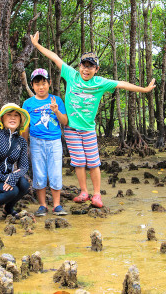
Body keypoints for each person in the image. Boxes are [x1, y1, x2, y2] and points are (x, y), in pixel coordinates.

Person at [30, 31, 156, 208]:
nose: (86, 69)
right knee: (79, 162)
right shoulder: (71, 75)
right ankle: (84, 192)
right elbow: (55, 57)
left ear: (96, 69)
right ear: (79, 66)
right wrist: (37, 46)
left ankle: (97, 194)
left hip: (88, 129)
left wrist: (143, 90)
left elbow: (121, 84)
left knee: (93, 162)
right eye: (84, 65)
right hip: (71, 129)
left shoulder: (99, 82)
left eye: (90, 67)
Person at [22, 68, 68, 216]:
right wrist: (24, 144)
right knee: (39, 173)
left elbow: (65, 122)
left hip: (54, 141)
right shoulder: (28, 103)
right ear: (32, 86)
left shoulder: (57, 100)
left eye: (43, 83)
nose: (41, 87)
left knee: (55, 173)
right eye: (37, 84)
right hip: (36, 142)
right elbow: (25, 126)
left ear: (49, 83)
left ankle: (57, 205)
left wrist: (56, 111)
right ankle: (42, 205)